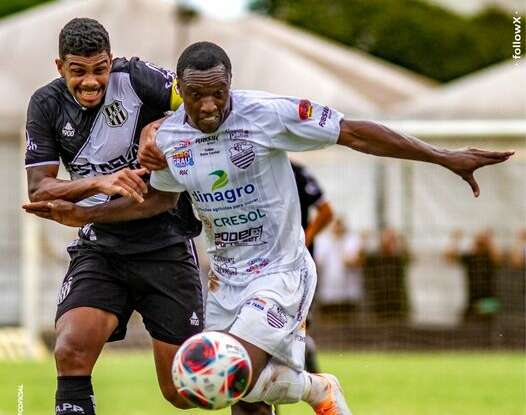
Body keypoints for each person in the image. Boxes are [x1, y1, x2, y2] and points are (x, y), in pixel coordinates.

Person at [24, 41, 513, 415]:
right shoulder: (171, 137)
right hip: (225, 281)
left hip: (280, 272)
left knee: (226, 368)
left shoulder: (271, 114)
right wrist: (86, 213)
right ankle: (314, 387)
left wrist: (442, 156)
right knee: (227, 397)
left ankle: (312, 386)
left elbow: (357, 132)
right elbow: (159, 201)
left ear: (230, 84)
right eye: (196, 96)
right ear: (181, 96)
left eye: (218, 93)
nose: (209, 105)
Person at [23, 18, 204, 415]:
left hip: (166, 246)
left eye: (99, 69)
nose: (90, 82)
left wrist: (158, 126)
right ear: (59, 67)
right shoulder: (46, 104)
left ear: (112, 61)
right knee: (70, 351)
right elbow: (40, 188)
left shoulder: (138, 79)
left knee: (183, 391)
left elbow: (206, 101)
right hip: (102, 249)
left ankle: (269, 391)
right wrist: (99, 183)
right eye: (78, 71)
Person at [291, 160, 334, 375]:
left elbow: (326, 212)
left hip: (299, 263)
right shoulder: (252, 170)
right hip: (263, 261)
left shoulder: (298, 172)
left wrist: (304, 239)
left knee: (300, 319)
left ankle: (309, 369)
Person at [315, 217, 364, 321]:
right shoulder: (322, 241)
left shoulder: (352, 240)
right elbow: (317, 262)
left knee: (348, 324)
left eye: (340, 224)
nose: (338, 227)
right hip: (328, 294)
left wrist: (352, 262)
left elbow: (360, 260)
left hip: (349, 294)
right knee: (330, 324)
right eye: (336, 224)